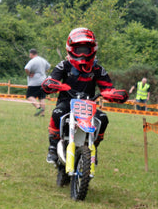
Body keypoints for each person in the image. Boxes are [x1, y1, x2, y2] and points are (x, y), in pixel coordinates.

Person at [41, 27, 128, 164]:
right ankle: (52, 148)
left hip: (88, 105)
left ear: (92, 50)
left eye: (85, 50)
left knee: (103, 119)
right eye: (79, 50)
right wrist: (53, 85)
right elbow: (51, 80)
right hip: (67, 102)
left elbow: (108, 87)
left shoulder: (97, 69)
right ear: (71, 49)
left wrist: (114, 94)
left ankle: (93, 147)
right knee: (57, 113)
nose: (82, 54)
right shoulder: (64, 65)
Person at [24, 49, 50, 116]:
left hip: (34, 81)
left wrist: (29, 74)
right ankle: (42, 114)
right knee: (41, 98)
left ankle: (38, 107)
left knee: (29, 96)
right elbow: (48, 66)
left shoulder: (33, 61)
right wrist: (43, 72)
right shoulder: (42, 60)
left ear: (31, 54)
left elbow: (26, 68)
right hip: (43, 81)